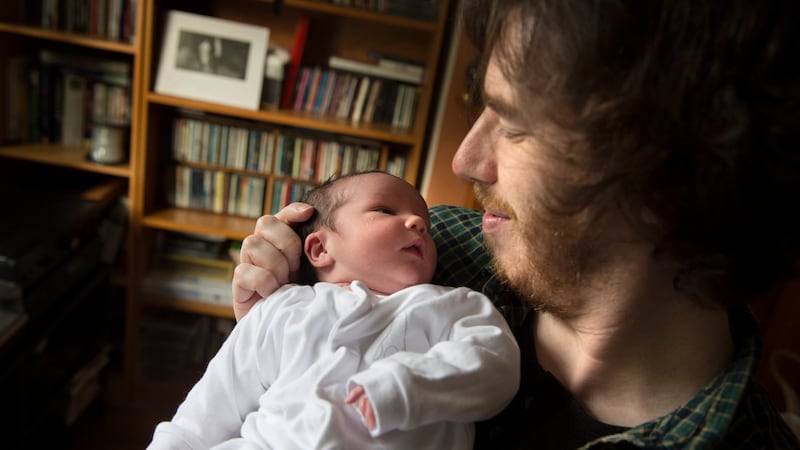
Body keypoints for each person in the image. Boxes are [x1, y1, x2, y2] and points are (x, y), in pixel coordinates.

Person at [232, 0, 800, 448]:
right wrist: (271, 318)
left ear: (679, 175)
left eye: (518, 124)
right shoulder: (445, 248)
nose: (466, 160)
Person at [148, 171, 520, 449]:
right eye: (385, 210)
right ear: (319, 249)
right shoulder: (281, 309)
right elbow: (207, 411)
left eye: (422, 221)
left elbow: (495, 367)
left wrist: (407, 386)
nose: (420, 223)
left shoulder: (454, 305)